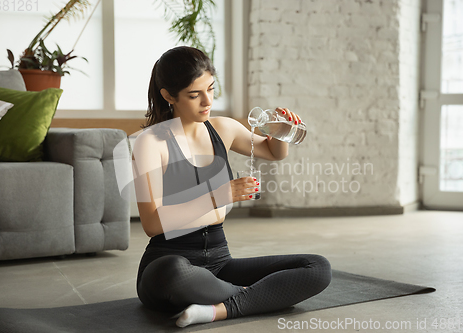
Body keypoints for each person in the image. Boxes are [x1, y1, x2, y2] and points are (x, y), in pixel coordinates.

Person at [132, 46, 331, 328]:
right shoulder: (150, 143)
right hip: (170, 264)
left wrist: (281, 132)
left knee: (317, 268)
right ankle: (255, 299)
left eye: (211, 89)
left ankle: (217, 310)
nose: (207, 101)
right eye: (194, 94)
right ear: (168, 95)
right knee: (175, 273)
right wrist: (220, 195)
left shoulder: (222, 129)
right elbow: (152, 223)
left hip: (220, 265)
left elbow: (273, 153)